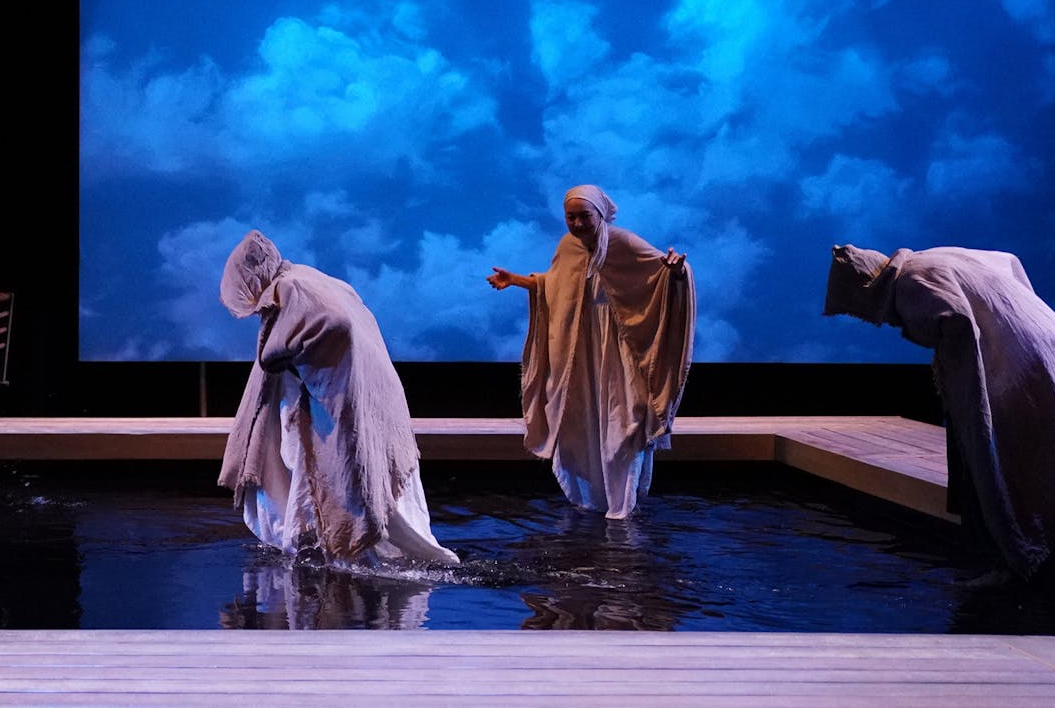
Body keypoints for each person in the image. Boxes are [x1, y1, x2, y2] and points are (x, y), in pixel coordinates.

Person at [823, 243, 1055, 581]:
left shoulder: (909, 285)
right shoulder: (930, 257)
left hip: (1016, 354)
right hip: (1045, 335)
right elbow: (1009, 262)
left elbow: (956, 321)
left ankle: (1010, 543)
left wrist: (968, 378)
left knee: (990, 446)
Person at [216, 230, 459, 566]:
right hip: (362, 390)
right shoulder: (309, 277)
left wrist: (275, 353)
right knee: (343, 472)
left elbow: (336, 321)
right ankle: (339, 543)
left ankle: (359, 548)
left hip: (341, 394)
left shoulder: (290, 287)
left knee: (346, 473)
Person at [486, 184, 696, 519]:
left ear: (600, 215)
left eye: (585, 216)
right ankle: (592, 501)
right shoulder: (568, 246)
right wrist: (518, 281)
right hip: (579, 351)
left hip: (618, 346)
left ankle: (621, 508)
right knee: (578, 420)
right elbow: (555, 285)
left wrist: (676, 271)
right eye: (571, 217)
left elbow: (662, 271)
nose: (578, 224)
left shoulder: (623, 242)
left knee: (624, 422)